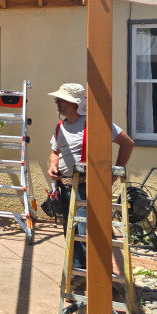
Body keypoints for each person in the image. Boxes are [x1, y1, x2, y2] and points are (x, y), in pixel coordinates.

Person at [46, 82, 134, 274]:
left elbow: (127, 143)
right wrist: (53, 165)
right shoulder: (60, 127)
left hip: (87, 189)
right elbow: (55, 152)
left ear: (74, 102)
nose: (56, 102)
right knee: (72, 236)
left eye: (60, 99)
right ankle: (79, 275)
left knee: (90, 237)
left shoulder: (96, 123)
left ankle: (101, 283)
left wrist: (114, 174)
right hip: (65, 189)